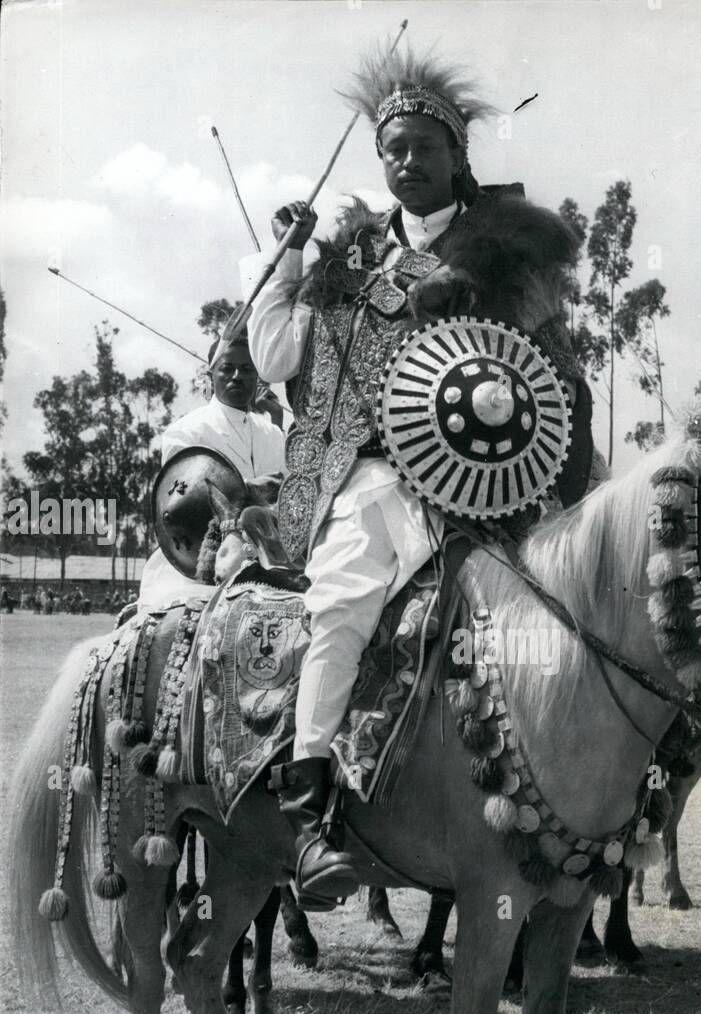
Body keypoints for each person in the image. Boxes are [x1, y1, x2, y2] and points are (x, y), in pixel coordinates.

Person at [241, 46, 593, 909]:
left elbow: (558, 381)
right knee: (341, 608)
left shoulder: (506, 250)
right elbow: (277, 352)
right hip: (371, 482)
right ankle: (312, 802)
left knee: (550, 630)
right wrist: (287, 261)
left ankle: (574, 815)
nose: (404, 162)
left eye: (420, 148)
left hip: (489, 488)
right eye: (390, 150)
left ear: (457, 155)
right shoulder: (349, 262)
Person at [137, 330, 287, 614]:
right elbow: (179, 511)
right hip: (196, 568)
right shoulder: (186, 432)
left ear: (258, 378)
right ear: (211, 373)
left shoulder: (273, 435)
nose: (237, 377)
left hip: (266, 566)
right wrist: (247, 491)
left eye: (246, 369)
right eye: (227, 368)